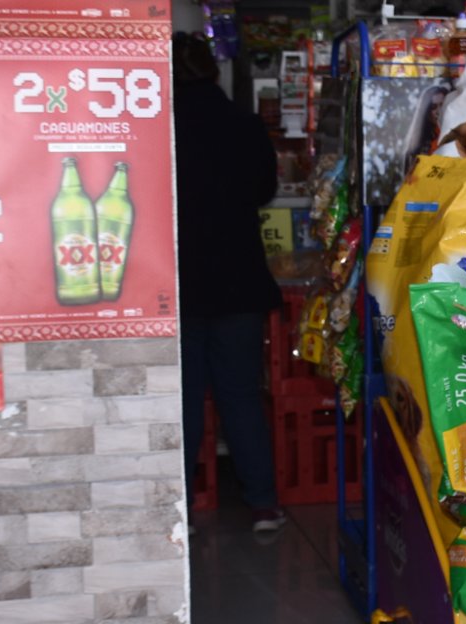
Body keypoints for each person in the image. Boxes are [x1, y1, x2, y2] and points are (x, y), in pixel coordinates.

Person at [173, 32, 286, 533]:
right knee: (240, 395)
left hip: (179, 283)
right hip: (239, 279)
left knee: (184, 397)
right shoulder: (243, 124)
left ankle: (179, 506)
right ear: (212, 71)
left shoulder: (157, 126)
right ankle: (263, 502)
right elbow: (264, 190)